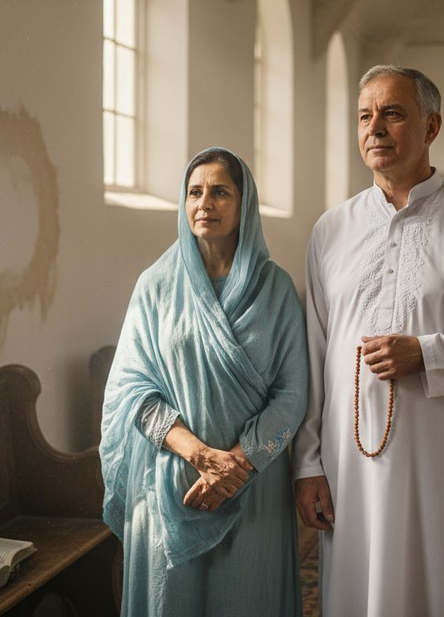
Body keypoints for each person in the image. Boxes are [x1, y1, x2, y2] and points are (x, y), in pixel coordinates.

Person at [293, 65, 444, 616]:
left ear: (431, 127)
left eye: (393, 113)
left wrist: (428, 353)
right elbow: (312, 355)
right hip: (349, 461)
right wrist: (307, 463)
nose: (375, 128)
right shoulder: (329, 230)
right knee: (360, 590)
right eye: (364, 115)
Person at [100, 147, 308, 616]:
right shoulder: (154, 285)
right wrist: (199, 455)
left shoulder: (275, 289)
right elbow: (131, 389)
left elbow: (292, 395)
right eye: (194, 192)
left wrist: (235, 466)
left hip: (250, 484)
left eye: (220, 192)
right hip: (173, 481)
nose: (204, 204)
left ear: (244, 203)